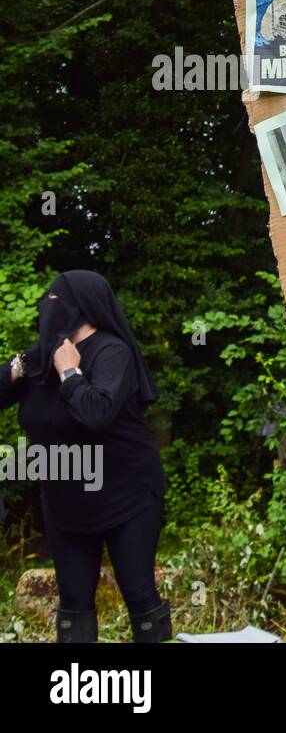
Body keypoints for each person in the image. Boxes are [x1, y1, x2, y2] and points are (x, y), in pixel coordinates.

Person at [1, 270, 171, 643]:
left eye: (57, 302)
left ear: (84, 307)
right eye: (46, 301)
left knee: (139, 593)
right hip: (66, 502)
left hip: (126, 497)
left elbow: (95, 413)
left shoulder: (113, 352)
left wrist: (70, 372)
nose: (48, 308)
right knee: (74, 602)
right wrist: (19, 366)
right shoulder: (42, 359)